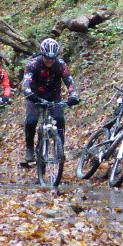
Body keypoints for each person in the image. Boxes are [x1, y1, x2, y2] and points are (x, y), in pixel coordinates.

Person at [21, 38, 79, 166]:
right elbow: (26, 83)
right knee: (31, 121)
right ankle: (29, 147)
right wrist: (30, 94)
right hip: (35, 96)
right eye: (47, 57)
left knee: (59, 119)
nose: (50, 61)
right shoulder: (33, 64)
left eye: (52, 58)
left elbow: (69, 81)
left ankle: (60, 147)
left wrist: (73, 96)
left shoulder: (61, 64)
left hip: (53, 96)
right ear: (42, 54)